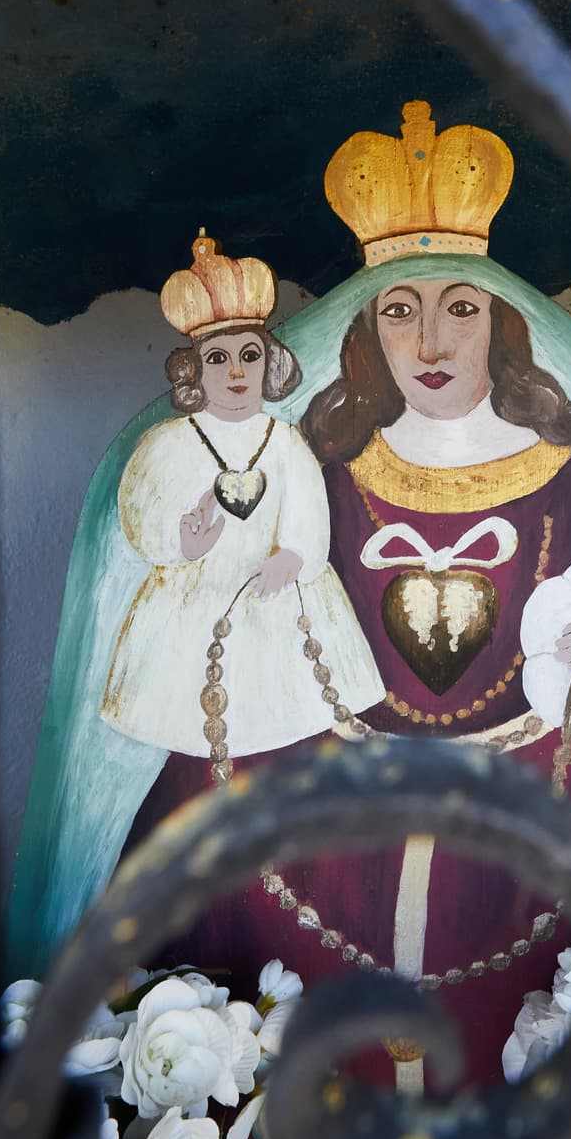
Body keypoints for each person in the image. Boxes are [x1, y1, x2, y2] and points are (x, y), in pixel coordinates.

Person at [9, 103, 571, 1091]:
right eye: (396, 311)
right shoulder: (316, 469)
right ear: (365, 332)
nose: (428, 338)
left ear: (502, 326)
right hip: (336, 767)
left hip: (540, 773)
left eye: (458, 308)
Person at [99, 232, 382, 760]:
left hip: (276, 600)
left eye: (249, 356)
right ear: (194, 371)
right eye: (219, 359)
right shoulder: (167, 444)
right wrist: (179, 541)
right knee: (195, 733)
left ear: (268, 364)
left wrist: (293, 556)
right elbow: (141, 513)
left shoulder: (284, 441)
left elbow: (308, 514)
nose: (235, 372)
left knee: (285, 729)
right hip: (190, 607)